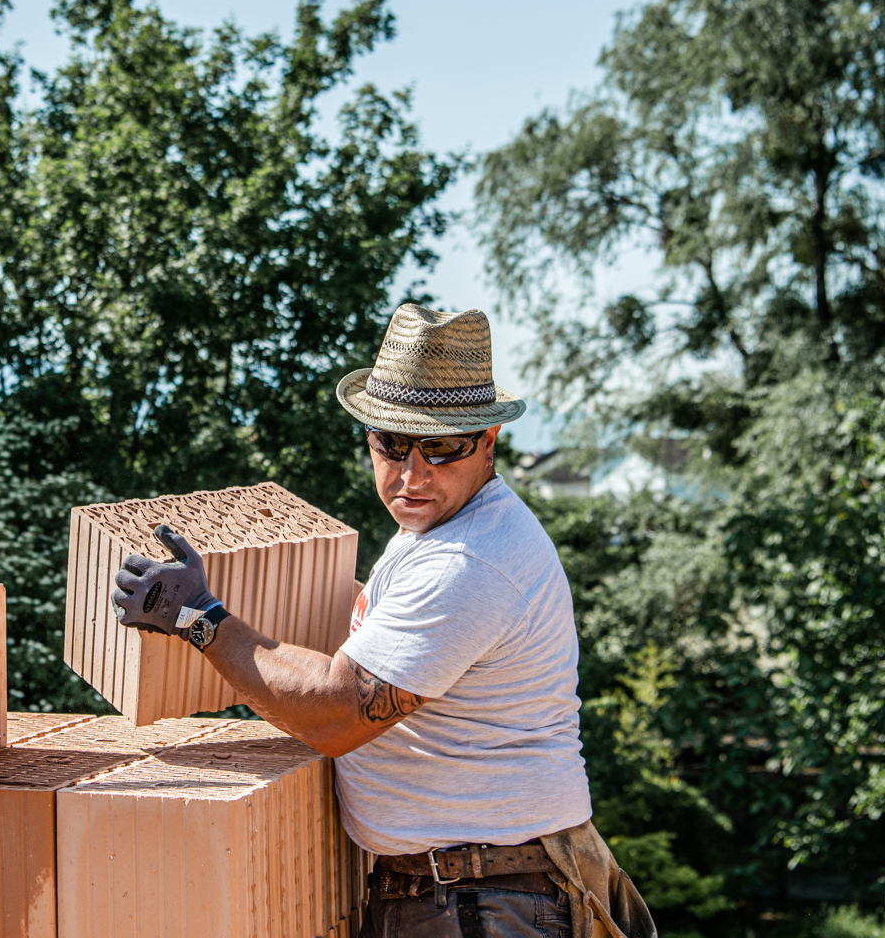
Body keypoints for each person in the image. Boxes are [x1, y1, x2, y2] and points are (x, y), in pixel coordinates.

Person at [111, 303, 655, 938]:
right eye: (392, 444)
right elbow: (393, 628)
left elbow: (336, 712)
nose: (411, 472)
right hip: (466, 891)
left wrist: (200, 619)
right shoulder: (437, 522)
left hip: (481, 901)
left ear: (488, 441)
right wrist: (261, 578)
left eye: (441, 446)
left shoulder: (468, 559)